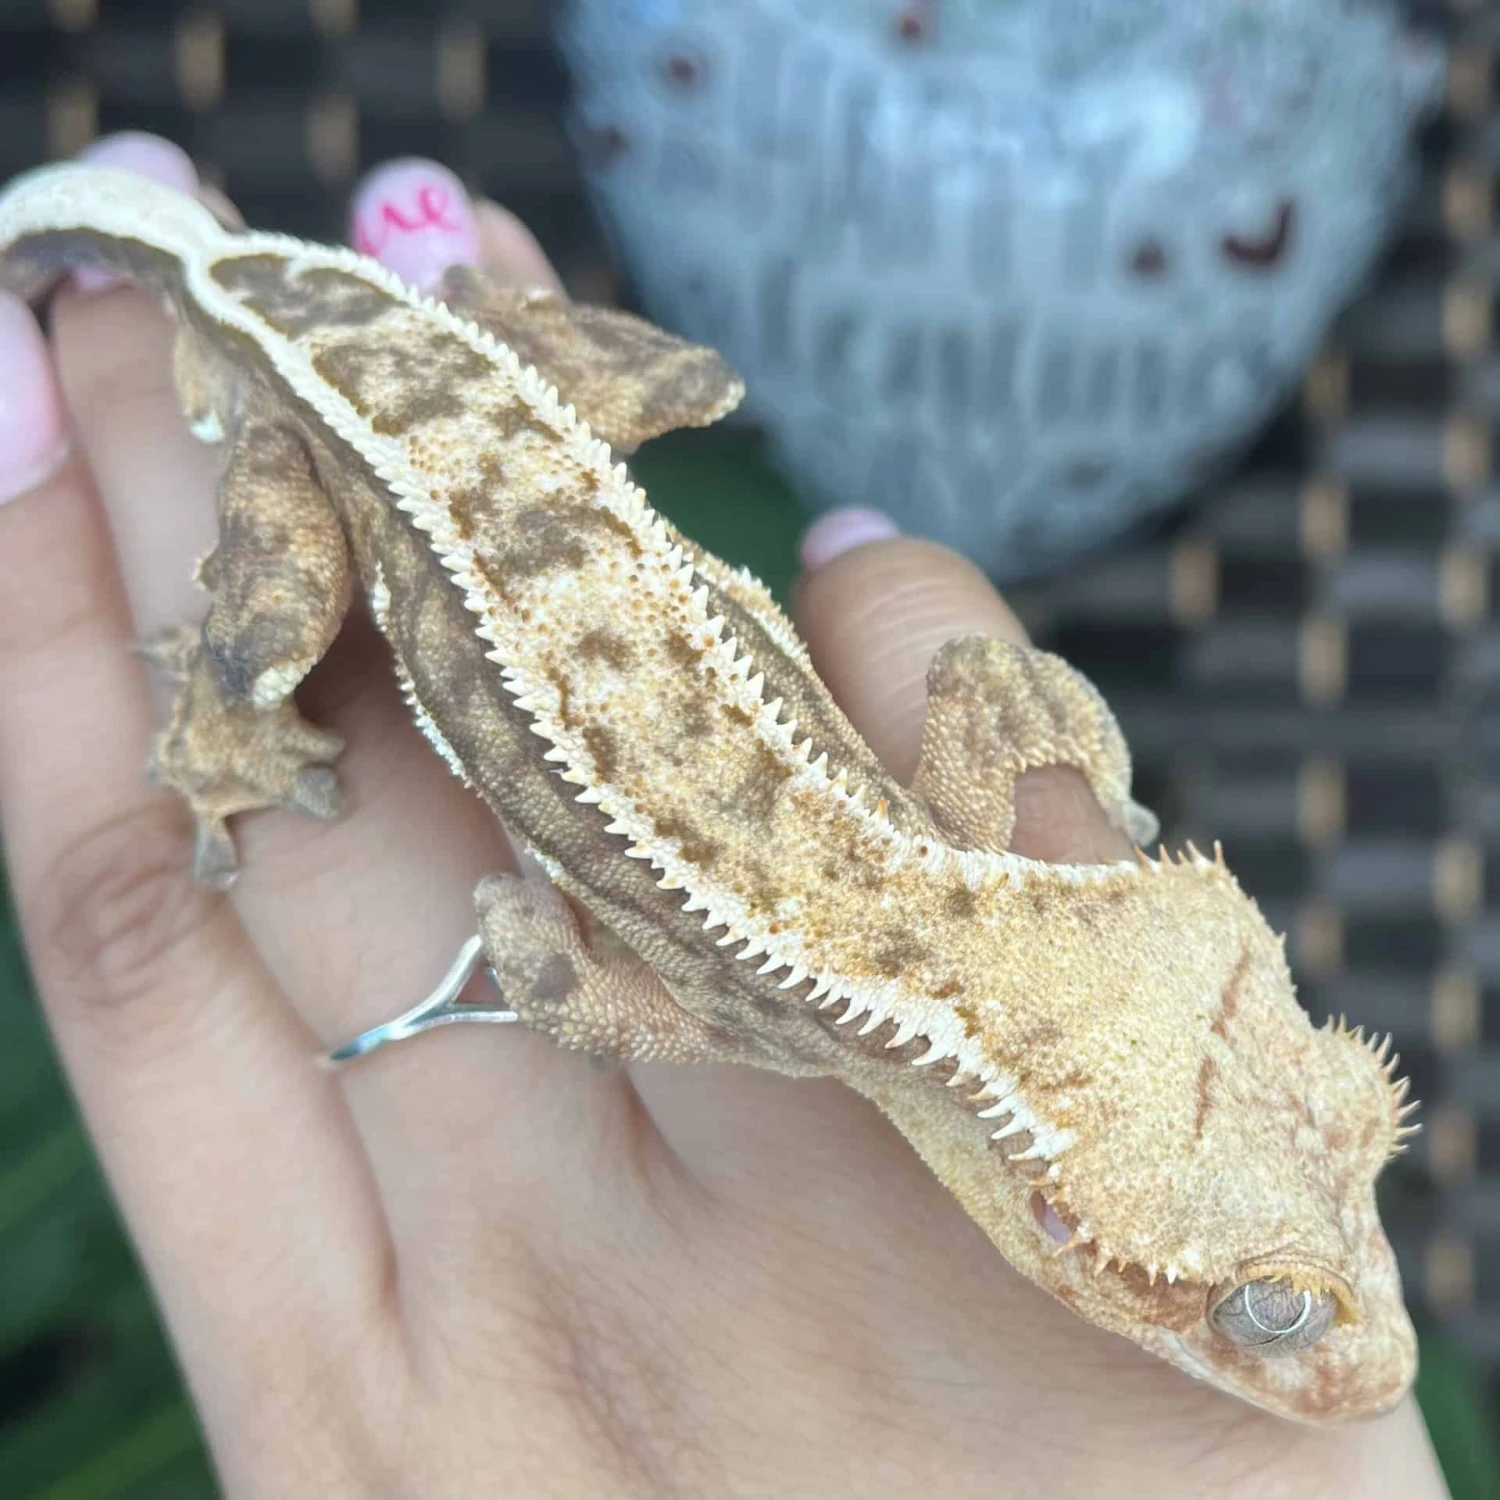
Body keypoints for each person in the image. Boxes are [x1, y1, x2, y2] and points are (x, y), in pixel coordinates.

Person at [0, 133, 1450, 1498]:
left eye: (1287, 1297)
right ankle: (215, 717)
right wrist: (263, 764)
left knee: (679, 382)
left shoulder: (954, 842)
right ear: (1066, 1226)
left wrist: (1099, 798)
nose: (1372, 1367)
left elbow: (986, 688)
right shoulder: (755, 1007)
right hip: (320, 429)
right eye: (1263, 1311)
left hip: (479, 385)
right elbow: (549, 965)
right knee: (262, 646)